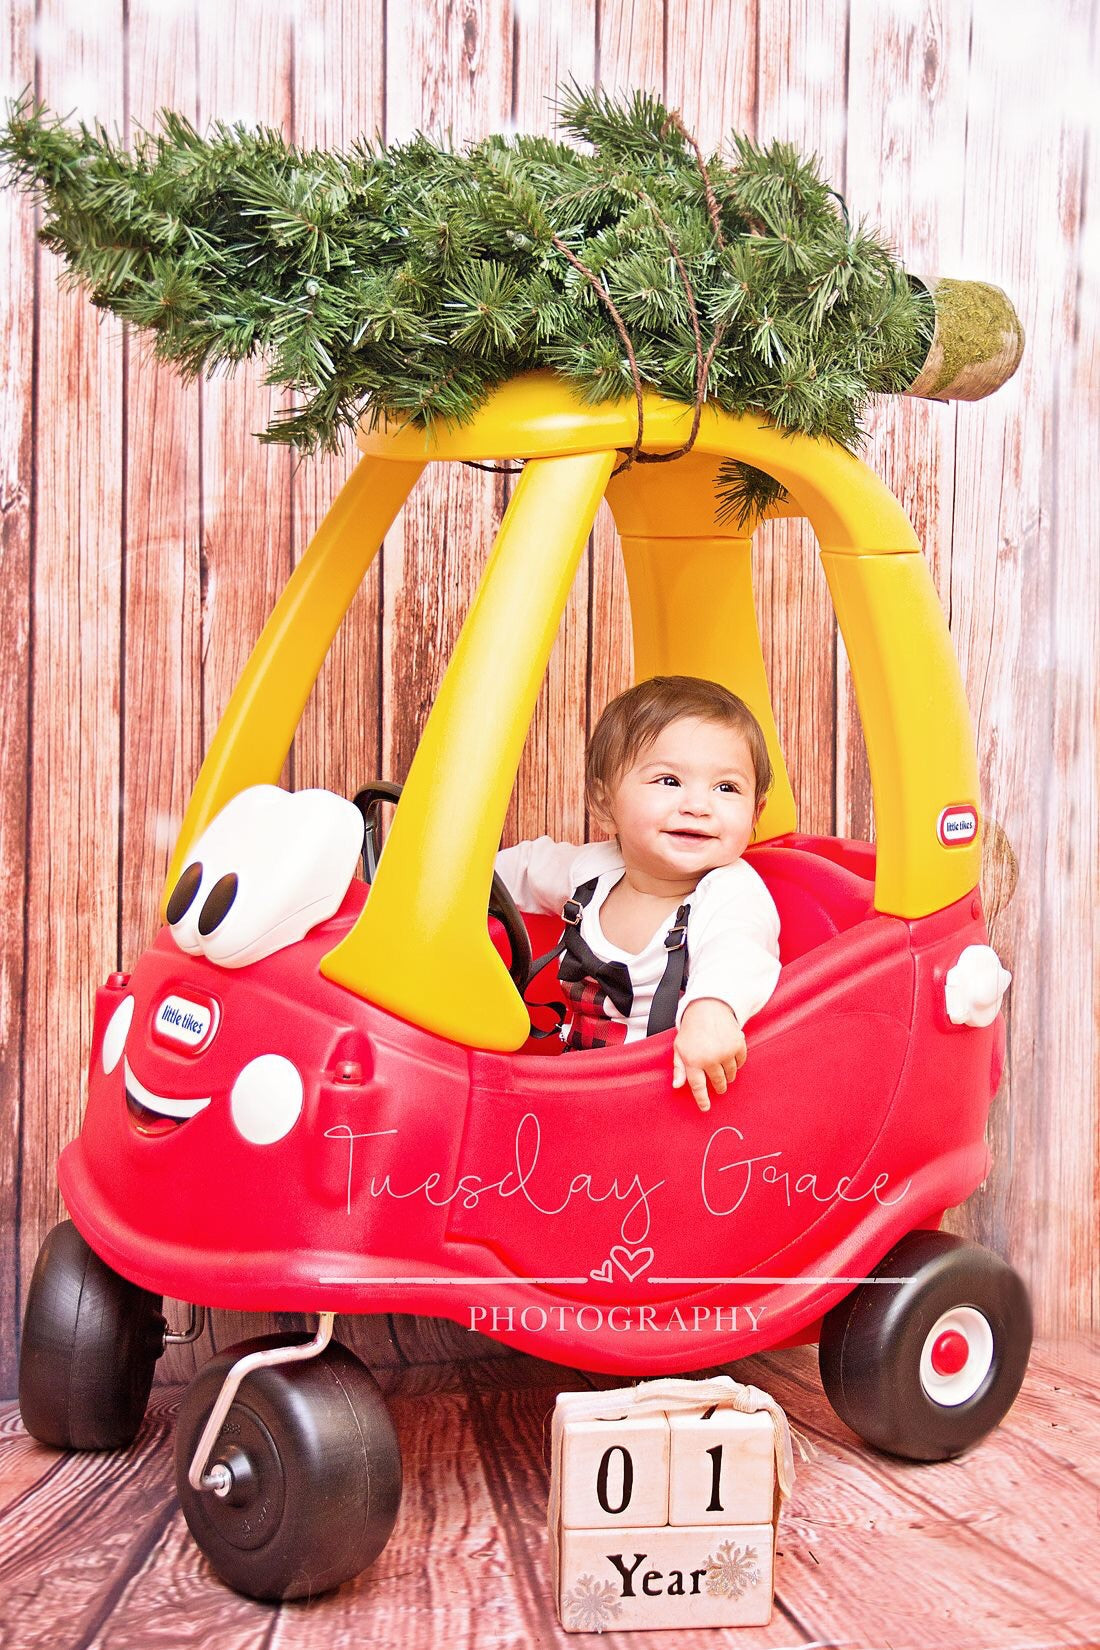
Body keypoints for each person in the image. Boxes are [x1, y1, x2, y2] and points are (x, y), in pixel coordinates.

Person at [494, 676, 781, 1111]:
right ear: (605, 802)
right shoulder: (594, 871)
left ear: (755, 812)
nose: (699, 806)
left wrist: (712, 1011)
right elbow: (523, 870)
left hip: (667, 1102)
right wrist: (453, 878)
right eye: (669, 781)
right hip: (576, 1084)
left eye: (727, 788)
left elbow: (739, 954)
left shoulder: (731, 893)